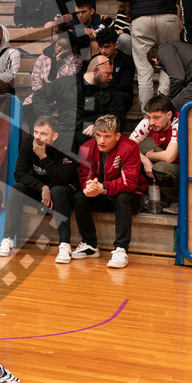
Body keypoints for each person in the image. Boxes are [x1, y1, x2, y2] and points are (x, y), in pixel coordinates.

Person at [0, 116, 77, 261]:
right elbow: (19, 173)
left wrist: (43, 157)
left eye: (43, 134)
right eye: (36, 132)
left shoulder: (66, 146)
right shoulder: (29, 143)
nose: (38, 137)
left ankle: (65, 245)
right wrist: (42, 187)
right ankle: (7, 239)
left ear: (55, 136)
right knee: (16, 189)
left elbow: (62, 179)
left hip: (63, 191)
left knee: (57, 191)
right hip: (41, 190)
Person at [71, 114, 145, 269]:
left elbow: (130, 183)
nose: (101, 141)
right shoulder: (87, 147)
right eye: (98, 135)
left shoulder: (130, 148)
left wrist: (103, 187)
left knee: (123, 198)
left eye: (107, 136)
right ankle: (90, 245)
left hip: (129, 197)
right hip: (102, 194)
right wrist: (90, 186)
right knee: (79, 197)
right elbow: (85, 175)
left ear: (117, 136)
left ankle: (121, 249)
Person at [129, 96, 180, 207]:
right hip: (171, 162)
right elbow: (128, 147)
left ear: (169, 115)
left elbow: (169, 157)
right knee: (130, 161)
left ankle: (177, 201)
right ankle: (144, 198)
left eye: (156, 118)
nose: (152, 122)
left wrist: (150, 155)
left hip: (187, 165)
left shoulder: (179, 122)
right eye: (149, 117)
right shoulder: (148, 122)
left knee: (160, 169)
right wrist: (146, 161)